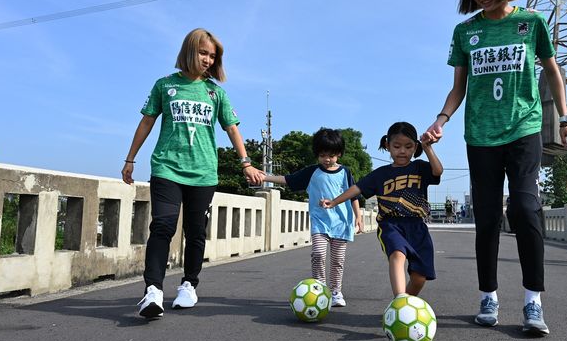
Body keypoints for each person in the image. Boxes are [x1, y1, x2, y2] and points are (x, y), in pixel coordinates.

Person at [425, 0, 567, 336]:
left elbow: (553, 73)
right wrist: (441, 120)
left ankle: (532, 301)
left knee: (526, 208)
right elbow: (458, 88)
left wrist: (564, 119)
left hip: (524, 129)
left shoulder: (531, 22)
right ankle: (488, 294)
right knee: (489, 217)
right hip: (480, 135)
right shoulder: (466, 32)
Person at [122, 28, 263, 319]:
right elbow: (147, 122)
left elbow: (232, 128)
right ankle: (153, 291)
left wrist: (246, 162)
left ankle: (189, 284)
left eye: (213, 56)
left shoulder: (215, 92)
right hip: (167, 167)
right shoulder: (164, 86)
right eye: (203, 53)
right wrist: (130, 159)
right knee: (162, 225)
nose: (208, 60)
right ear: (189, 51)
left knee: (196, 231)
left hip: (203, 172)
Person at [321, 122, 443, 298]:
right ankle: (400, 300)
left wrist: (428, 148)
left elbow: (438, 171)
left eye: (408, 147)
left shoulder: (420, 168)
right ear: (388, 146)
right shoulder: (380, 174)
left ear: (415, 147)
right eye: (397, 146)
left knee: (419, 277)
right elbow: (356, 189)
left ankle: (404, 305)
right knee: (397, 254)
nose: (402, 151)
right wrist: (333, 202)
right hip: (391, 225)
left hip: (417, 226)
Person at [260, 128, 363, 307]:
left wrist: (358, 217)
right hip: (320, 223)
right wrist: (264, 177)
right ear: (317, 154)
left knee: (338, 260)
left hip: (341, 223)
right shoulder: (312, 172)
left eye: (331, 155)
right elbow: (288, 179)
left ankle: (336, 291)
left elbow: (353, 195)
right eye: (322, 155)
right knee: (318, 254)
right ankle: (320, 289)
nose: (327, 159)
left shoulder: (345, 172)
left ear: (339, 153)